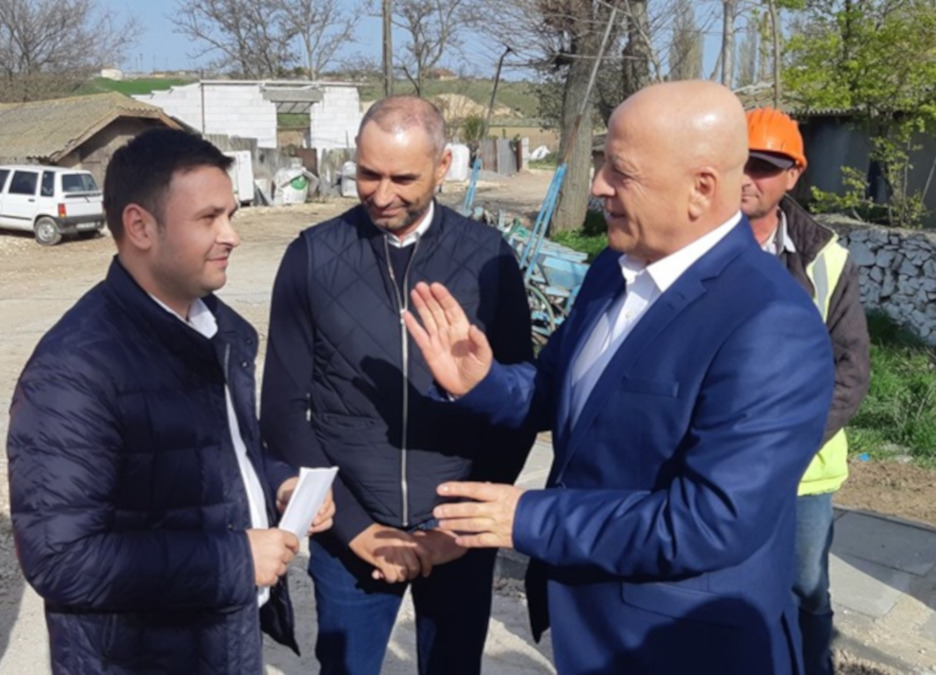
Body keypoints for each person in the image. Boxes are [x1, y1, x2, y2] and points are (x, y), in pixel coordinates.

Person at [402, 81, 835, 674]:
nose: (599, 184)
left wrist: (527, 517)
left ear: (701, 188)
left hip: (682, 648)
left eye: (620, 171)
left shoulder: (770, 323)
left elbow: (709, 522)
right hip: (593, 629)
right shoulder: (614, 268)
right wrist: (482, 381)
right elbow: (557, 393)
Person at [7, 128, 333, 675]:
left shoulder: (216, 331)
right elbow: (63, 560)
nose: (231, 236)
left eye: (231, 215)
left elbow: (219, 452)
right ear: (140, 226)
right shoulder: (76, 370)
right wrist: (234, 560)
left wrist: (276, 483)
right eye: (208, 219)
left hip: (222, 638)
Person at [260, 95, 535, 674]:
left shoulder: (489, 259)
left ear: (443, 166)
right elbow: (282, 409)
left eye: (403, 178)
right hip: (352, 531)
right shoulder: (311, 257)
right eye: (368, 174)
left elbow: (519, 404)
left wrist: (458, 529)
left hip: (458, 528)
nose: (382, 195)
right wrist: (356, 529)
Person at [742, 107, 870, 675]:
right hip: (715, 464)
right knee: (725, 590)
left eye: (764, 167)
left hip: (803, 471)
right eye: (738, 162)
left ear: (794, 173)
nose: (747, 177)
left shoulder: (826, 261)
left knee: (807, 590)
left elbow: (851, 370)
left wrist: (788, 446)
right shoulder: (690, 247)